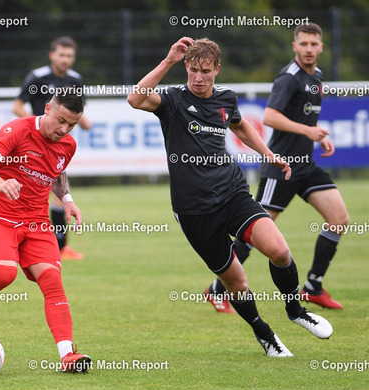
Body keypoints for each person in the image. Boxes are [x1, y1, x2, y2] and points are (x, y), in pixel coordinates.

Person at [127, 37, 333, 357]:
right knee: (237, 283)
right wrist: (168, 61)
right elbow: (135, 99)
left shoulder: (226, 98)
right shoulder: (173, 100)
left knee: (279, 250)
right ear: (186, 67)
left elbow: (240, 126)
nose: (198, 77)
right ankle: (265, 334)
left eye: (205, 71)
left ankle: (296, 310)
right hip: (194, 210)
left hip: (232, 193)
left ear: (217, 70)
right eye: (193, 70)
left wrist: (269, 154)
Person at [205, 23, 348, 312]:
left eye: (314, 44)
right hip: (281, 168)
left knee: (339, 219)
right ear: (295, 46)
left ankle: (313, 286)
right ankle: (217, 289)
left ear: (321, 47)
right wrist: (307, 131)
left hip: (305, 166)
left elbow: (303, 119)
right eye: (303, 44)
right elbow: (269, 116)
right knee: (254, 234)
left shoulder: (317, 76)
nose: (309, 49)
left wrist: (316, 135)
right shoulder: (289, 77)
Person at [0, 89, 92, 373]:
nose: (64, 129)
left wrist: (67, 200)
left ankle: (67, 356)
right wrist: (1, 183)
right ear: (48, 109)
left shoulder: (68, 144)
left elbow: (56, 172)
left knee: (53, 280)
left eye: (72, 125)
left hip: (37, 221)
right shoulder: (17, 129)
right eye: (61, 120)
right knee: (4, 273)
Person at [12, 35, 91, 260]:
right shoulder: (38, 77)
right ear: (52, 55)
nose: (66, 59)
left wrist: (83, 122)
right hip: (33, 142)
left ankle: (61, 247)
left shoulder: (76, 80)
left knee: (58, 192)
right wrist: (35, 126)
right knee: (26, 189)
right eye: (62, 55)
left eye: (70, 56)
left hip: (55, 145)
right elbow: (17, 106)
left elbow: (78, 111)